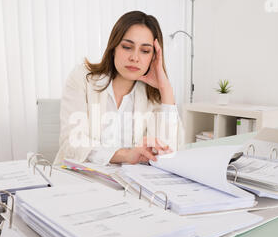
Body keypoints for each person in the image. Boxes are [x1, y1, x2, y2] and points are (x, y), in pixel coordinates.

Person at [54, 10, 184, 166]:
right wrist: (125, 155)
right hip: (81, 179)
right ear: (114, 47)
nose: (134, 58)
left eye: (145, 51)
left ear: (153, 57)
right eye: (127, 47)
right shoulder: (82, 78)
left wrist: (166, 89)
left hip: (131, 185)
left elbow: (169, 153)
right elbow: (71, 142)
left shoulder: (154, 96)